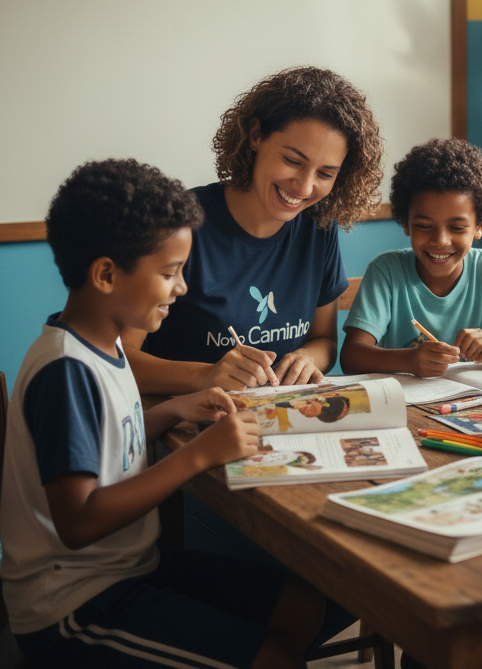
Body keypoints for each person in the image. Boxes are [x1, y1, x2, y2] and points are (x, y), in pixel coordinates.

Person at [0, 158, 349, 667]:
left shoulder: (104, 345)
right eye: (170, 273)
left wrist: (174, 411)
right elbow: (77, 521)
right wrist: (197, 456)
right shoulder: (66, 370)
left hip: (130, 566)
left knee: (303, 609)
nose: (182, 288)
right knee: (277, 658)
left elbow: (107, 441)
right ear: (105, 274)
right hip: (73, 604)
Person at [124, 65, 383, 394]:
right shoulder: (179, 224)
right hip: (183, 427)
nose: (304, 187)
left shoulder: (318, 226)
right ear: (256, 135)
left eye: (325, 174)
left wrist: (306, 357)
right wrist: (206, 376)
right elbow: (120, 358)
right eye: (292, 160)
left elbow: (324, 341)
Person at [340, 137, 482, 377]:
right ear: (405, 224)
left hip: (478, 405)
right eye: (424, 226)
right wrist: (410, 360)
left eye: (457, 228)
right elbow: (352, 356)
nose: (441, 241)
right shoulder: (387, 271)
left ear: (480, 226)